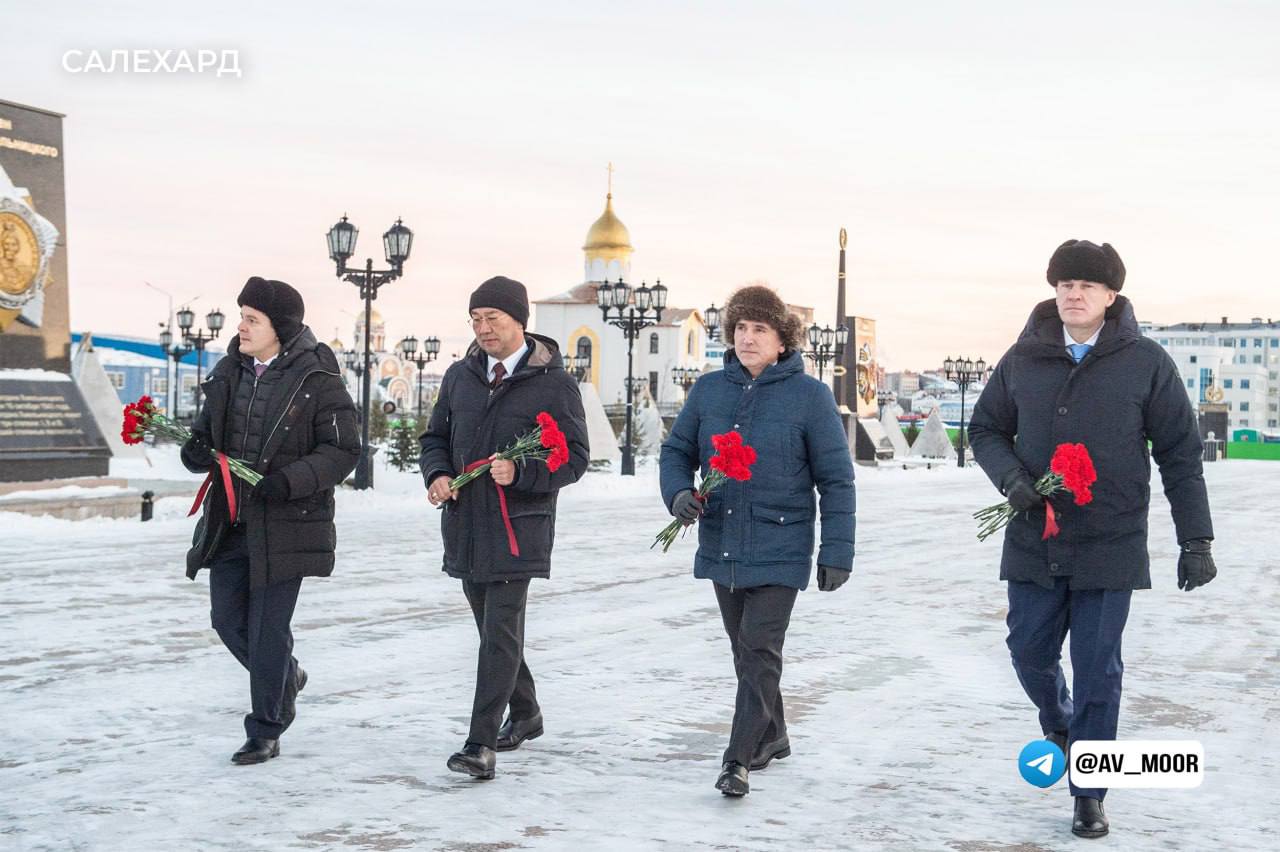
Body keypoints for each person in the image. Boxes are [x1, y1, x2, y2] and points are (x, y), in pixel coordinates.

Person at [969, 240, 1217, 839]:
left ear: (1111, 296)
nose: (1073, 294)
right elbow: (984, 429)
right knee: (1027, 650)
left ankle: (1090, 791)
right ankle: (1058, 720)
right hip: (1034, 536)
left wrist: (1197, 541)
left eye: (1086, 285)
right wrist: (1014, 482)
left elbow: (1181, 456)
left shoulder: (1147, 362)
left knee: (1098, 671)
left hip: (1111, 538)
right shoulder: (1022, 359)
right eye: (1064, 284)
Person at [659, 284, 855, 797]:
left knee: (760, 648)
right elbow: (676, 451)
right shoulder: (708, 390)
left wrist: (836, 551)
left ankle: (737, 759)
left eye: (759, 329)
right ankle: (774, 734)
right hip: (722, 538)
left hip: (782, 543)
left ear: (782, 340)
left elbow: (836, 479)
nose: (747, 338)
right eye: (741, 328)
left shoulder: (810, 396)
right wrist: (679, 494)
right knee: (746, 652)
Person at [181, 276, 360, 764]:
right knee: (226, 621)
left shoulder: (317, 379)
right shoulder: (227, 373)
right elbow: (207, 438)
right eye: (241, 315)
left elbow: (344, 449)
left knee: (266, 631)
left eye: (251, 318)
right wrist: (195, 451)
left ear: (278, 327)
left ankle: (265, 728)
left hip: (287, 521)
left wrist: (290, 480)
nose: (240, 326)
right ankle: (288, 675)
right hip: (230, 520)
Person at [419, 275, 589, 781]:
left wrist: (522, 473)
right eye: (476, 319)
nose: (483, 328)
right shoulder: (459, 376)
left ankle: (480, 743)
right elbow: (435, 437)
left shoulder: (554, 383)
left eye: (493, 317)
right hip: (467, 523)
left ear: (519, 321)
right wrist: (439, 474)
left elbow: (575, 459)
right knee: (495, 631)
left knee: (498, 633)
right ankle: (528, 711)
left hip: (520, 527)